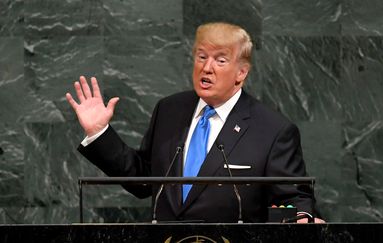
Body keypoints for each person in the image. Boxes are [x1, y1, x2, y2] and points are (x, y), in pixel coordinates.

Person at [66, 22, 323, 223]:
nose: (207, 67)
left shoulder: (272, 130)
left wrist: (302, 217)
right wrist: (100, 133)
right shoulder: (170, 110)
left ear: (241, 73)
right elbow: (144, 180)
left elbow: (294, 198)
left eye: (220, 60)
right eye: (201, 57)